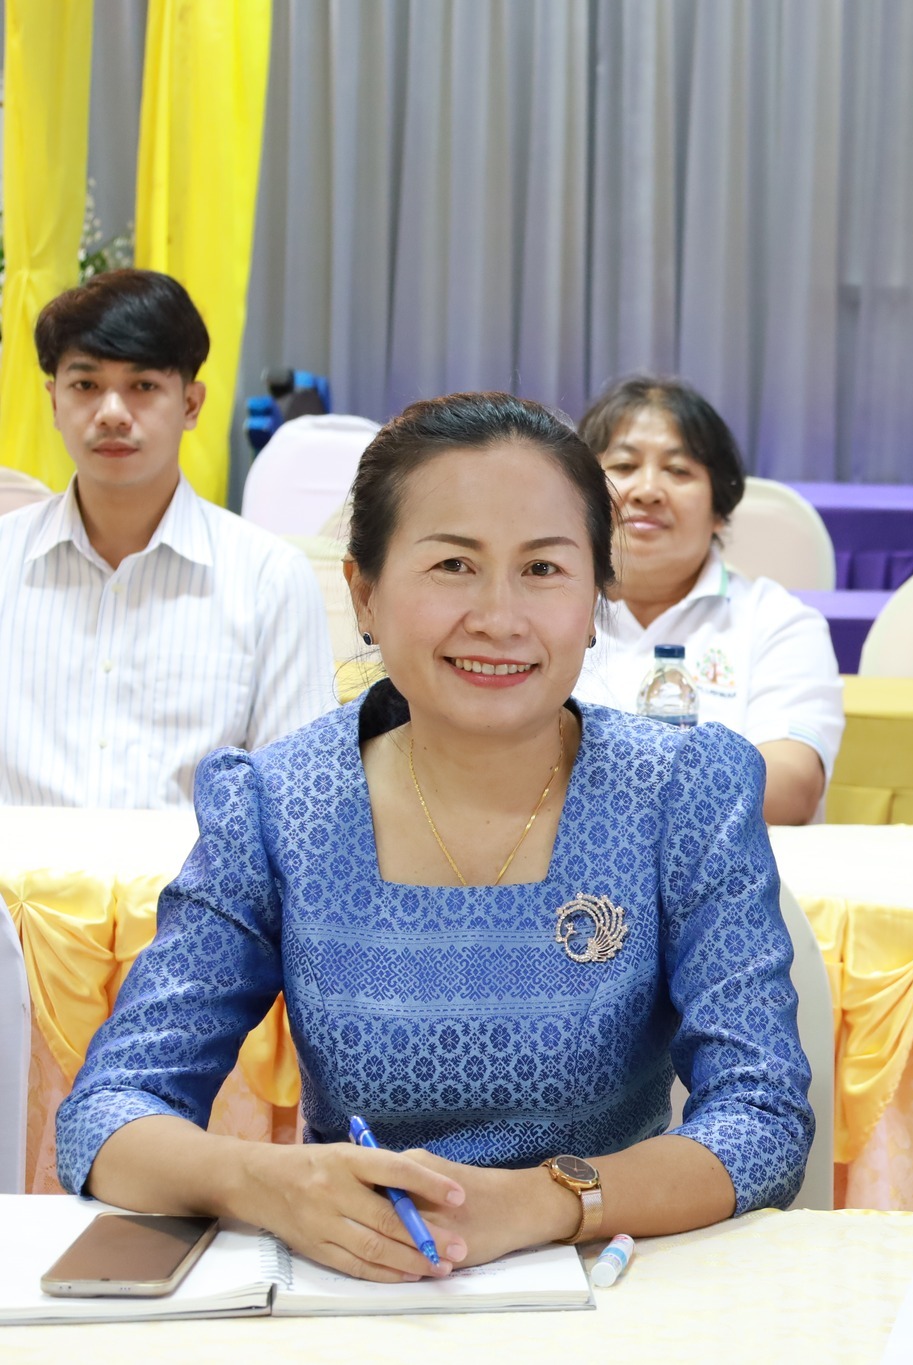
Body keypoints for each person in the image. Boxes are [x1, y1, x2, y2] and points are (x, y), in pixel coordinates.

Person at [57, 392, 814, 1281]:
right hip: (353, 1290)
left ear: (594, 598)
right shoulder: (278, 804)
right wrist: (268, 1182)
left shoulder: (682, 790)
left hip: (609, 1282)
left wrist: (544, 1200)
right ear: (364, 592)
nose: (499, 616)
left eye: (543, 568)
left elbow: (763, 1117)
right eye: (454, 564)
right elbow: (108, 1112)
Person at [0, 269, 330, 807]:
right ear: (54, 402)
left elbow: (295, 805)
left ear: (191, 404)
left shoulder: (269, 580)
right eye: (85, 385)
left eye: (143, 386)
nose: (112, 414)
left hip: (195, 867)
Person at [573, 376, 842, 825]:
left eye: (678, 471)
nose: (647, 490)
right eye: (624, 465)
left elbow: (790, 787)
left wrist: (605, 797)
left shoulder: (777, 622)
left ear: (720, 508)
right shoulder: (541, 612)